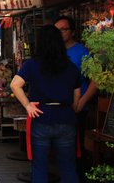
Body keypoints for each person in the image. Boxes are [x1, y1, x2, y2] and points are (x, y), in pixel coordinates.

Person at [10, 24, 81, 183]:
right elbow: (76, 99)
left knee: (40, 166)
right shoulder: (71, 67)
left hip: (41, 116)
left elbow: (15, 85)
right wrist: (71, 109)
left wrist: (28, 106)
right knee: (68, 167)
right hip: (66, 117)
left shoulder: (32, 64)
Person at [55, 15, 95, 180]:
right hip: (58, 109)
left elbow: (96, 80)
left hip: (77, 109)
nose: (59, 33)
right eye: (56, 30)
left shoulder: (82, 52)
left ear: (72, 32)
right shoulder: (55, 52)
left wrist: (82, 102)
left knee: (76, 149)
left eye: (63, 29)